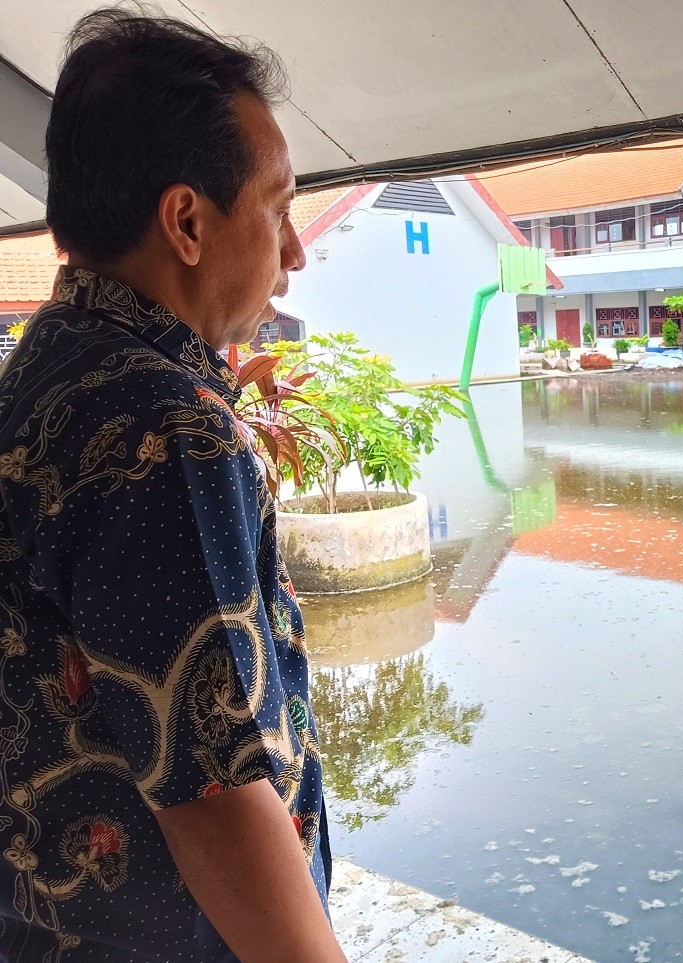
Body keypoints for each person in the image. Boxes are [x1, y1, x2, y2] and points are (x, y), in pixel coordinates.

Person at [0, 8, 346, 961]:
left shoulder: (45, 368)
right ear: (187, 221)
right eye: (277, 209)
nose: (296, 251)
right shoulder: (168, 428)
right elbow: (218, 797)